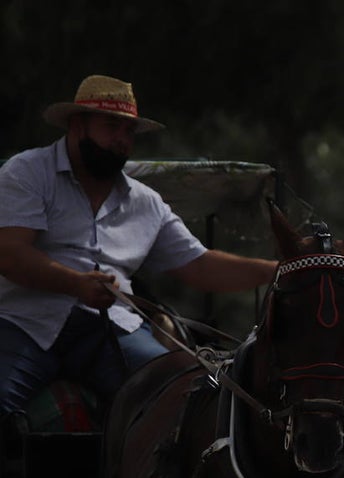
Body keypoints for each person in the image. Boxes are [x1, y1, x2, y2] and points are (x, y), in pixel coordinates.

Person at [0, 74, 278, 417]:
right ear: (77, 125)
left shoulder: (146, 202)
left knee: (184, 397)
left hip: (109, 331)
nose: (121, 139)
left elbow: (201, 265)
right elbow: (10, 255)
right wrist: (76, 284)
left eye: (129, 131)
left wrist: (281, 269)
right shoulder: (26, 172)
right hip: (24, 323)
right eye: (111, 126)